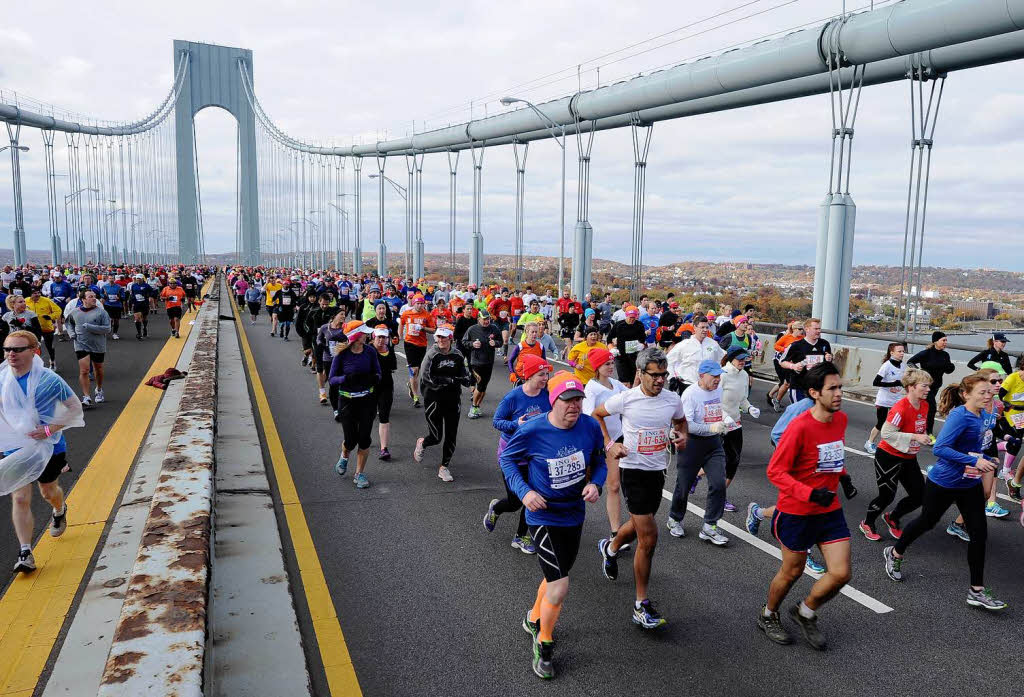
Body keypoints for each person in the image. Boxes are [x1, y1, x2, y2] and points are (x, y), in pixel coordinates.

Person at [498, 370, 606, 680]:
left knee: (557, 575)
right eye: (568, 401)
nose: (574, 407)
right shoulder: (533, 430)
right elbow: (508, 460)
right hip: (542, 514)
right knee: (559, 586)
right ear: (553, 400)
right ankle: (543, 644)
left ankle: (533, 617)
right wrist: (525, 491)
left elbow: (599, 460)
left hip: (573, 513)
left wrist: (596, 483)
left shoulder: (589, 426)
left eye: (579, 400)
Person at [883, 372, 1007, 611]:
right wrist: (974, 461)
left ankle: (976, 590)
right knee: (927, 521)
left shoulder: (985, 414)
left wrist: (988, 457)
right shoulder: (960, 416)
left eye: (988, 391)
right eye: (981, 392)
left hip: (968, 484)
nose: (987, 394)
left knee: (979, 533)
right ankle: (895, 552)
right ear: (965, 395)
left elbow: (978, 445)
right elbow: (940, 448)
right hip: (944, 482)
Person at [757, 362, 852, 649]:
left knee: (841, 573)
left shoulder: (841, 420)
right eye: (832, 389)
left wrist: (843, 478)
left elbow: (829, 458)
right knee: (792, 572)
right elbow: (775, 471)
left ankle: (805, 611)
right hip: (797, 512)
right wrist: (809, 494)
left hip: (830, 511)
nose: (839, 394)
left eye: (840, 387)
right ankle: (768, 615)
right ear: (814, 392)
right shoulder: (799, 427)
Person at [593, 347, 686, 629]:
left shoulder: (672, 399)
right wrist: (611, 444)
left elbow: (681, 421)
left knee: (636, 524)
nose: (660, 380)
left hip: (657, 471)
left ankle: (610, 548)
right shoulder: (627, 398)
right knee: (649, 537)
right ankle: (641, 605)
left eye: (664, 375)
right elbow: (596, 415)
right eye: (654, 375)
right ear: (640, 373)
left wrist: (682, 437)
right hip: (632, 471)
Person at [1, 330, 85, 573]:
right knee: (19, 497)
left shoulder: (49, 380)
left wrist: (50, 429)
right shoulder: (2, 378)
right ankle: (25, 551)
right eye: (7, 349)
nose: (11, 354)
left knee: (48, 492)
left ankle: (59, 509)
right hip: (16, 447)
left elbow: (74, 409)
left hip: (49, 446)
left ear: (34, 350)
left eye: (18, 349)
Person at [484, 354, 553, 554]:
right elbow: (497, 421)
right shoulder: (513, 397)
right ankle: (496, 509)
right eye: (541, 374)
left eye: (546, 374)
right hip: (512, 456)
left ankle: (521, 536)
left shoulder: (546, 395)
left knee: (534, 496)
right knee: (515, 501)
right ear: (529, 375)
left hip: (535, 455)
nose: (545, 378)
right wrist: (517, 425)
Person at [859, 368, 931, 540]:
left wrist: (925, 435)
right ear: (911, 387)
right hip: (888, 457)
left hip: (908, 457)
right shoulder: (900, 408)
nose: (928, 389)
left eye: (929, 386)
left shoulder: (925, 405)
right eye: (925, 386)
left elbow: (919, 426)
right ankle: (867, 523)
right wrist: (915, 436)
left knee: (920, 495)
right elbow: (887, 434)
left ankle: (893, 517)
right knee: (887, 495)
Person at [666, 359, 732, 544]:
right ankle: (674, 518)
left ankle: (709, 526)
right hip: (692, 444)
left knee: (719, 484)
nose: (718, 380)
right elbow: (688, 425)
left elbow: (718, 410)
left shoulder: (717, 389)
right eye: (714, 376)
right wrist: (712, 428)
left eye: (719, 376)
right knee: (684, 485)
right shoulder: (690, 394)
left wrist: (726, 420)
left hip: (714, 445)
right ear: (702, 376)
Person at [413, 325, 472, 482]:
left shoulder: (457, 354)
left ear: (450, 338)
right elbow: (426, 378)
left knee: (451, 435)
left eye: (443, 337)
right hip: (434, 398)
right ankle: (423, 443)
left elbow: (464, 374)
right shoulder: (432, 355)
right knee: (436, 436)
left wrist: (468, 381)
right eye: (438, 337)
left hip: (453, 399)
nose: (440, 340)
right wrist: (447, 381)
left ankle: (444, 467)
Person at [582, 348, 629, 540]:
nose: (611, 367)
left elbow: (633, 396)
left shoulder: (615, 384)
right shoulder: (591, 389)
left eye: (612, 363)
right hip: (600, 442)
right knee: (604, 484)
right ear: (597, 367)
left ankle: (615, 533)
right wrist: (603, 441)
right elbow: (587, 416)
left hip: (618, 438)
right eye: (606, 364)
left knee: (614, 486)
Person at [329, 321, 380, 489]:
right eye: (364, 333)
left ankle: (359, 474)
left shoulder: (370, 352)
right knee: (351, 440)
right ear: (356, 336)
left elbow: (378, 373)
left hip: (367, 400)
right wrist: (346, 379)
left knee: (364, 439)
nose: (367, 335)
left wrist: (373, 378)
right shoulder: (342, 355)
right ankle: (344, 456)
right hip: (347, 401)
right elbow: (332, 379)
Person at [719, 347, 760, 511]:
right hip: (719, 424)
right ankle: (718, 497)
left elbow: (743, 399)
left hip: (735, 423)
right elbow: (712, 401)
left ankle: (715, 491)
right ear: (731, 358)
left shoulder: (744, 375)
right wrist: (724, 417)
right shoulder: (721, 374)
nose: (743, 361)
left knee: (734, 460)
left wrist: (750, 408)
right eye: (740, 359)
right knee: (717, 460)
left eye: (745, 359)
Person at [64, 290, 110, 407]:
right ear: (83, 299)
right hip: (80, 344)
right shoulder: (75, 312)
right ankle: (86, 396)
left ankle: (99, 390)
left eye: (94, 297)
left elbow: (107, 329)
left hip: (98, 345)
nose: (94, 299)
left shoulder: (102, 312)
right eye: (90, 297)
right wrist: (71, 333)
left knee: (98, 369)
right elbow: (68, 323)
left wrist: (90, 327)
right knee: (84, 370)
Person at [907, 331, 956, 442]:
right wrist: (920, 373)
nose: (945, 342)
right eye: (943, 340)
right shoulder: (926, 353)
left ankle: (913, 427)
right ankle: (928, 433)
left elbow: (948, 370)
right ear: (935, 341)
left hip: (935, 387)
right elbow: (910, 362)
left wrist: (950, 366)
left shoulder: (945, 355)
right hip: (924, 386)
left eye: (946, 340)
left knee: (921, 407)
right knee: (932, 408)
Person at [864, 343, 906, 454]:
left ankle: (892, 445)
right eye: (899, 351)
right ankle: (869, 442)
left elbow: (903, 381)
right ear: (892, 353)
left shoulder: (903, 366)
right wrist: (893, 383)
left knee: (897, 423)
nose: (902, 353)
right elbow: (876, 382)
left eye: (903, 351)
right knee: (881, 422)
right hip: (884, 400)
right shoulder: (886, 366)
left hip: (896, 400)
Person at [666, 316, 723, 395]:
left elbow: (722, 360)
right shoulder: (684, 344)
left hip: (707, 386)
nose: (705, 330)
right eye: (702, 327)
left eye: (707, 327)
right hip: (687, 384)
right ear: (695, 328)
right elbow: (669, 360)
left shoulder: (713, 344)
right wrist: (672, 377)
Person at [461, 309, 502, 419]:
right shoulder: (472, 329)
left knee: (484, 386)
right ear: (479, 319)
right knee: (480, 384)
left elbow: (500, 341)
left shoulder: (494, 328)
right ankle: (473, 406)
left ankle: (477, 407)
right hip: (476, 362)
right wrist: (472, 344)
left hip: (489, 361)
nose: (486, 321)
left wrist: (496, 343)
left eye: (488, 319)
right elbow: (464, 342)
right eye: (484, 319)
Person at [399, 294, 436, 408]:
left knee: (418, 369)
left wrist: (423, 328)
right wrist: (400, 336)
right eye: (417, 303)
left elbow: (433, 330)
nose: (420, 305)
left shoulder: (426, 315)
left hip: (422, 344)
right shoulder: (407, 313)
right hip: (409, 343)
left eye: (421, 303)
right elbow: (401, 323)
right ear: (413, 303)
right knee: (414, 370)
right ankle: (416, 396)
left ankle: (411, 384)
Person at [1000, 355, 1024, 502]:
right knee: (1016, 441)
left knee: (1015, 442)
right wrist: (1006, 405)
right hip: (1010, 414)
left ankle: (993, 446)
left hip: (1022, 414)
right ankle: (1006, 471)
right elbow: (1000, 395)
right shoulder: (1013, 378)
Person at [371, 326, 397, 461]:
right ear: (373, 337)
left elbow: (393, 366)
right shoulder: (368, 351)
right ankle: (365, 437)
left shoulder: (390, 350)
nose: (381, 340)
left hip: (386, 387)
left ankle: (384, 448)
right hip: (370, 387)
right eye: (378, 337)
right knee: (368, 415)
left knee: (384, 416)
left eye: (383, 337)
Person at [606, 306, 647, 387]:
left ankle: (632, 398)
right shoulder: (619, 325)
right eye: (630, 317)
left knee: (634, 381)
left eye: (634, 317)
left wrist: (641, 345)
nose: (632, 319)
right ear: (626, 315)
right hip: (621, 356)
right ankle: (623, 397)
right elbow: (609, 339)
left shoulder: (639, 325)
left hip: (634, 356)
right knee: (625, 383)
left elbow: (643, 340)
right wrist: (611, 349)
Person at [768, 321, 803, 411]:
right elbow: (776, 346)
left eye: (802, 329)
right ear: (794, 329)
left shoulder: (802, 338)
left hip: (797, 364)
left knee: (790, 383)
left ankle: (776, 399)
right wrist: (785, 350)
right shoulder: (787, 337)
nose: (802, 331)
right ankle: (777, 400)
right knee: (787, 383)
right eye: (800, 329)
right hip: (785, 363)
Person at [26, 288, 61, 370]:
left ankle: (52, 362)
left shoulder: (46, 300)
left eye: (38, 292)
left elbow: (58, 310)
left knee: (49, 347)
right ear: (30, 295)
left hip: (46, 328)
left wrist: (50, 317)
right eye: (35, 293)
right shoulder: (26, 301)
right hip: (33, 329)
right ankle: (37, 365)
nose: (37, 294)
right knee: (34, 347)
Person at [99, 273, 125, 340]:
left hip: (117, 305)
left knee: (116, 320)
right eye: (110, 278)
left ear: (114, 279)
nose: (111, 280)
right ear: (108, 279)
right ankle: (107, 331)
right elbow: (100, 293)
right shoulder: (105, 286)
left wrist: (119, 297)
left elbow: (123, 295)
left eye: (112, 278)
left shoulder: (119, 287)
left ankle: (115, 333)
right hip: (108, 305)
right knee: (109, 320)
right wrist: (104, 296)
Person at [128, 273, 153, 340]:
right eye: (137, 278)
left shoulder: (146, 285)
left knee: (144, 318)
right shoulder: (133, 285)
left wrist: (150, 297)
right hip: (137, 304)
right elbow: (132, 294)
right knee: (137, 318)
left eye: (139, 278)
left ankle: (144, 328)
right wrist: (132, 302)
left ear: (142, 279)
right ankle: (139, 333)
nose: (138, 279)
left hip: (144, 303)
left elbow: (151, 291)